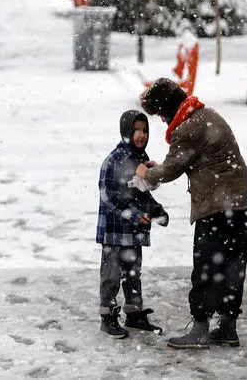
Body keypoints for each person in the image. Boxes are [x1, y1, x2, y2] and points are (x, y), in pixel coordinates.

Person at [137, 77, 247, 350]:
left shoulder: (188, 128)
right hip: (241, 201)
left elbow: (171, 169)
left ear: (168, 107)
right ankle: (228, 328)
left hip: (219, 206)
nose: (162, 120)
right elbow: (185, 159)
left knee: (206, 266)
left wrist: (146, 174)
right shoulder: (205, 115)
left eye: (161, 114)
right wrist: (162, 168)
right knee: (232, 265)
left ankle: (200, 330)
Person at [96, 109, 169, 339]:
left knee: (133, 274)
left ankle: (134, 313)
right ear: (125, 131)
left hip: (134, 232)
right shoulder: (114, 160)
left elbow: (142, 193)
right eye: (136, 130)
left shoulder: (141, 160)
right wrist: (134, 215)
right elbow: (108, 195)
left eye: (145, 130)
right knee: (112, 275)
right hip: (115, 231)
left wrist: (156, 210)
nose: (141, 135)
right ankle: (108, 316)